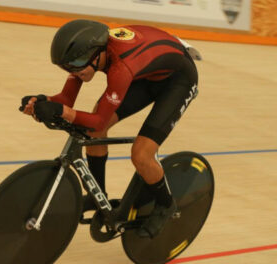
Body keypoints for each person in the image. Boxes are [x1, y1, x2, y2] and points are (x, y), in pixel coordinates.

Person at [20, 19, 199, 238]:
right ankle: (98, 196)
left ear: (98, 54)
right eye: (67, 67)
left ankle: (166, 205)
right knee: (93, 133)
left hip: (178, 81)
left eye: (76, 64)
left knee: (141, 154)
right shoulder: (84, 58)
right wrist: (42, 101)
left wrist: (61, 111)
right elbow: (66, 98)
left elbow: (97, 121)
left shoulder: (120, 68)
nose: (74, 71)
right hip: (146, 74)